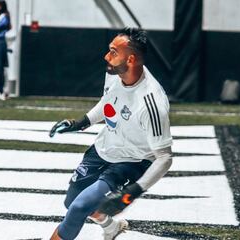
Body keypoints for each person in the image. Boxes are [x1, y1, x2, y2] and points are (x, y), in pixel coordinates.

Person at [49, 28, 173, 240]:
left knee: (79, 207)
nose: (107, 56)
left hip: (131, 162)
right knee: (71, 202)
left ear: (131, 59)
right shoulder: (114, 71)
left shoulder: (152, 103)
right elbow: (109, 102)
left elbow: (164, 158)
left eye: (114, 52)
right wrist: (81, 123)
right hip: (103, 149)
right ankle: (111, 226)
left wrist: (133, 191)